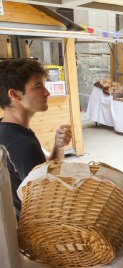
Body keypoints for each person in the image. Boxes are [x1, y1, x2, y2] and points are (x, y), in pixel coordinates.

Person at [0, 59, 72, 219]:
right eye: (38, 86)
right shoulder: (21, 144)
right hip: (30, 234)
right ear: (14, 94)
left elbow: (46, 172)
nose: (47, 93)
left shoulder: (8, 130)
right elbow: (49, 200)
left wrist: (58, 146)